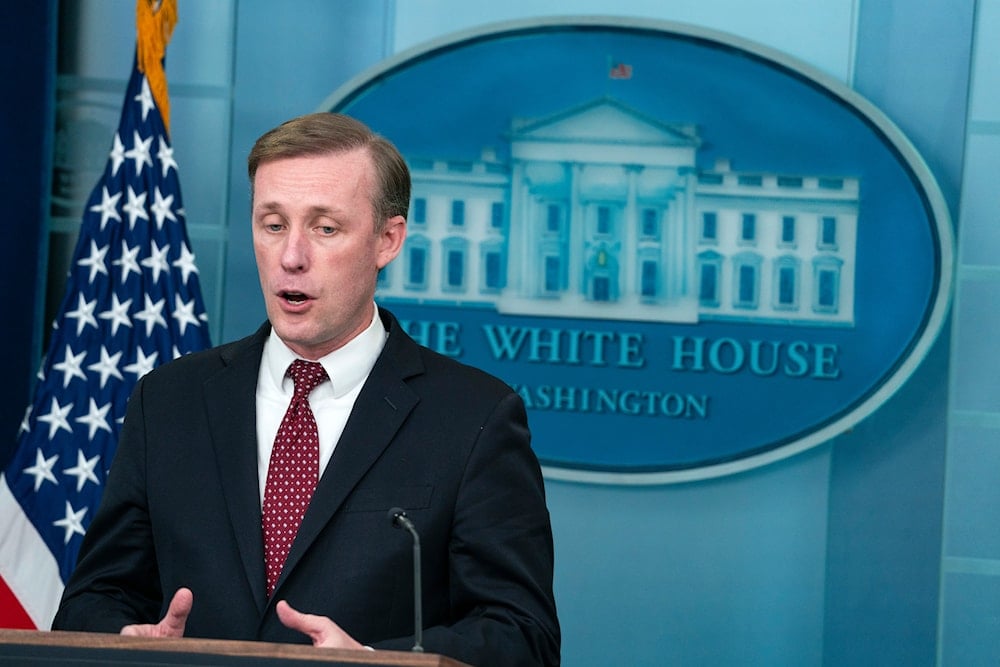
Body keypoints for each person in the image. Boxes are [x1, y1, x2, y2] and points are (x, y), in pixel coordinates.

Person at [52, 112, 561, 667]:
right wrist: (127, 639)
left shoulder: (475, 418)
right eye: (273, 225)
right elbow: (92, 599)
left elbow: (521, 636)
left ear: (387, 241)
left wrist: (370, 661)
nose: (291, 257)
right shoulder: (169, 400)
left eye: (325, 228)